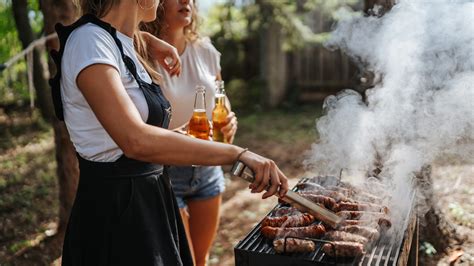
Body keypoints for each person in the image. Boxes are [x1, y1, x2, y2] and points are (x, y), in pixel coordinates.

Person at [49, 0, 289, 265]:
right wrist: (237, 155)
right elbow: (135, 140)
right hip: (116, 212)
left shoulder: (119, 42)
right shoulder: (89, 42)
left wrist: (148, 39)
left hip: (151, 199)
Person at [141, 1, 235, 265]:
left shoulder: (205, 49)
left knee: (201, 260)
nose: (187, 1)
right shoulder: (142, 53)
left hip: (208, 168)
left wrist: (230, 118)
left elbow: (221, 99)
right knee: (185, 262)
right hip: (166, 173)